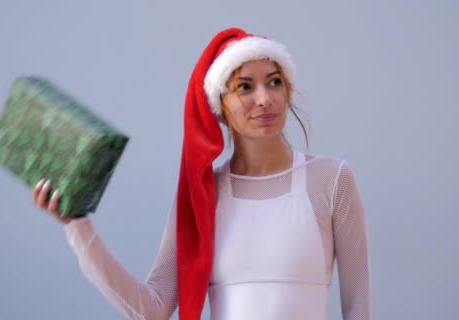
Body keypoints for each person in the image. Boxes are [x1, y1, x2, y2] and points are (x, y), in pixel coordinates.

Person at [32, 27, 372, 320]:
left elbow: (358, 305)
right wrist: (77, 226)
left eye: (275, 82)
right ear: (218, 105)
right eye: (245, 87)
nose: (265, 99)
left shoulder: (331, 179)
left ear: (288, 91)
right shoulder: (201, 197)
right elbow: (151, 309)